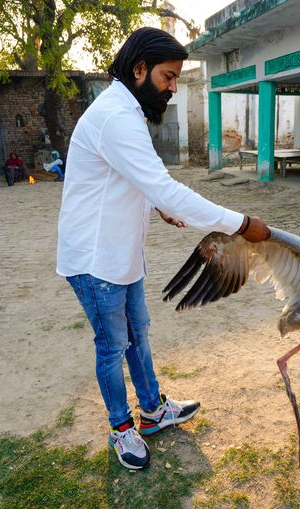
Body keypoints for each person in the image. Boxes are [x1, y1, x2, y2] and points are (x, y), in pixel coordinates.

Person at [56, 27, 270, 471]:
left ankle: (152, 411)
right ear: (139, 69)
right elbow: (165, 186)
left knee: (139, 335)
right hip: (96, 261)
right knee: (113, 347)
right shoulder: (116, 116)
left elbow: (134, 179)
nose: (174, 88)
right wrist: (242, 224)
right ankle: (121, 428)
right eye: (169, 77)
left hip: (122, 254)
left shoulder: (127, 110)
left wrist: (156, 206)